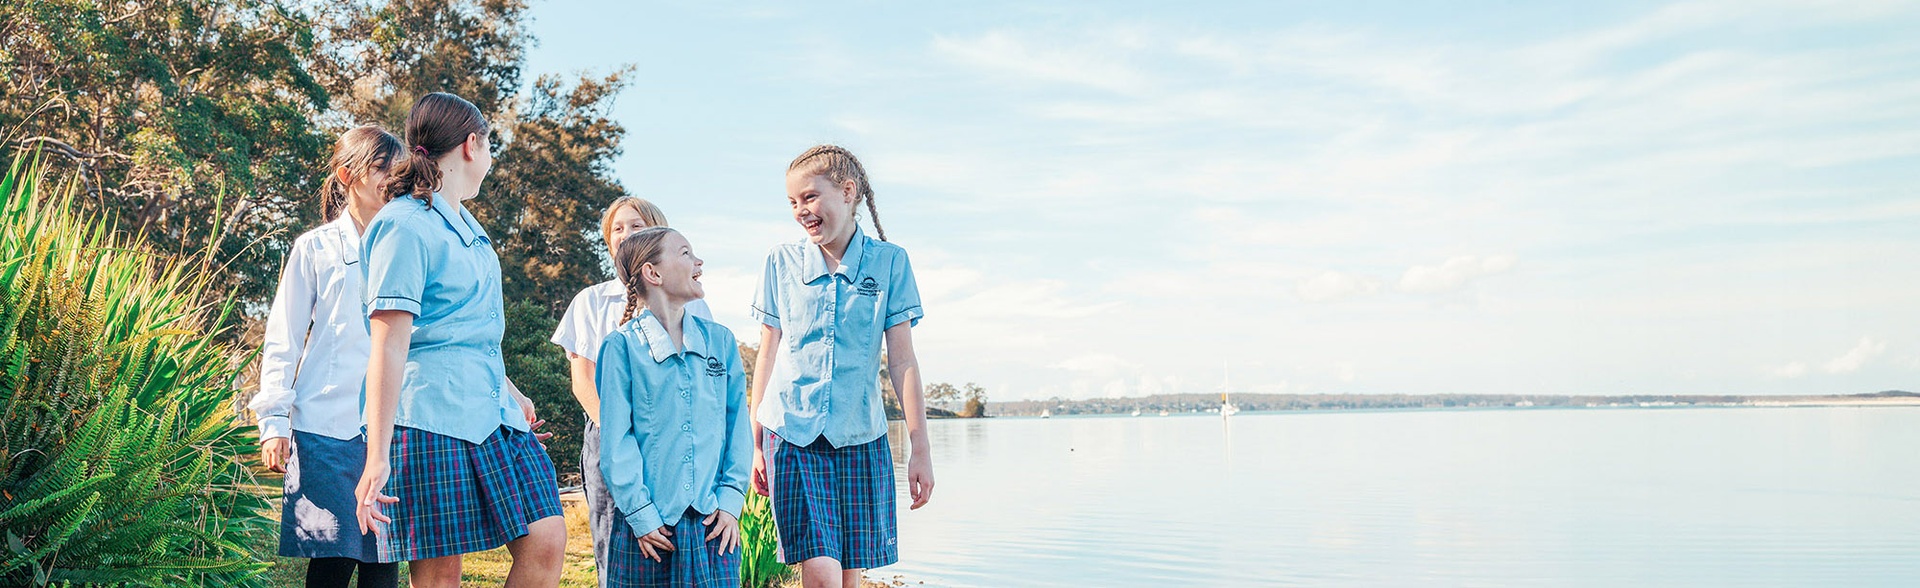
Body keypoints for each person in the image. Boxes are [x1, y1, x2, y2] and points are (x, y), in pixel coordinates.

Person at [353, 92, 565, 587]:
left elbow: (469, 329)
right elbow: (388, 342)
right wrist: (377, 455)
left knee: (547, 537)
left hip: (492, 412)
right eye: (489, 145)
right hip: (426, 415)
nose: (490, 158)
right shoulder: (403, 224)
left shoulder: (469, 227)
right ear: (472, 145)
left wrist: (511, 392)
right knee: (440, 575)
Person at [749, 145, 935, 588]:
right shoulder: (780, 262)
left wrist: (920, 451)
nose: (800, 211)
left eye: (810, 197)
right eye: (793, 202)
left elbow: (903, 361)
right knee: (821, 573)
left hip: (861, 436)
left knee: (850, 577)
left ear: (848, 192)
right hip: (791, 433)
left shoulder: (891, 262)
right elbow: (768, 353)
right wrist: (756, 441)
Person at [250, 125, 404, 588]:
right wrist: (274, 423)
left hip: (389, 428)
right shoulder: (313, 248)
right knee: (331, 562)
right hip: (323, 428)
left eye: (397, 171)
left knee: (382, 563)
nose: (391, 180)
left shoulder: (405, 246)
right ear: (346, 174)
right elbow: (284, 337)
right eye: (381, 169)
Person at [551, 197, 713, 585]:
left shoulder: (693, 304)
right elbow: (583, 380)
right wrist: (620, 436)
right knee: (617, 547)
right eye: (617, 229)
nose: (625, 234)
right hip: (609, 440)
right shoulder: (590, 301)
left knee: (679, 546)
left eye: (636, 226)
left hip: (676, 443)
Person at [596, 227, 752, 587]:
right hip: (650, 530)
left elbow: (737, 430)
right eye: (685, 253)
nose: (698, 261)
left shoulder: (722, 342)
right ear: (653, 273)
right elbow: (617, 442)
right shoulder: (621, 348)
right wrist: (640, 513)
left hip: (715, 525)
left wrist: (730, 502)